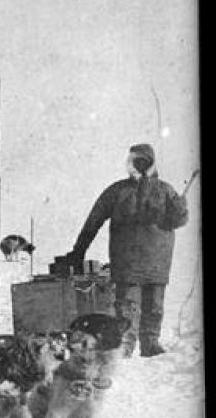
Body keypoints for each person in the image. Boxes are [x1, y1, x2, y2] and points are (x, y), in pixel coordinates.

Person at [66, 143, 188, 357]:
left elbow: (178, 220)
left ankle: (151, 344)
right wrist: (79, 250)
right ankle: (125, 346)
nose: (132, 164)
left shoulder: (166, 190)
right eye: (132, 160)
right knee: (126, 309)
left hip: (157, 263)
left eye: (137, 160)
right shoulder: (117, 191)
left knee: (154, 307)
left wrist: (180, 208)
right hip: (127, 263)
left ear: (147, 162)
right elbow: (93, 221)